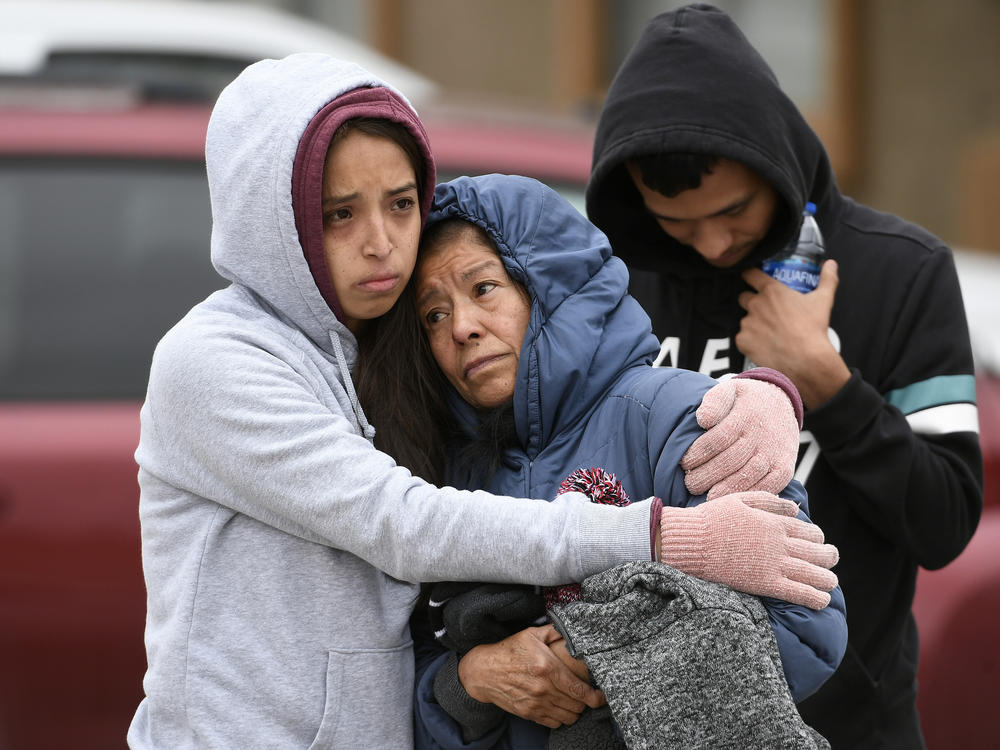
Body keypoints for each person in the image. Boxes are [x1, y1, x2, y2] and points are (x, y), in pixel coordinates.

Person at [126, 53, 820, 749]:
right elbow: (402, 524)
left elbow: (807, 619)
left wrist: (769, 393)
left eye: (401, 204)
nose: (381, 245)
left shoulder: (384, 365)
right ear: (276, 221)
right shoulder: (217, 363)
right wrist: (658, 538)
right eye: (340, 213)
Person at [585, 5, 985, 749]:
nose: (711, 243)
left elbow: (945, 521)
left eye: (733, 210)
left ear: (777, 160)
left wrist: (826, 383)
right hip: (639, 725)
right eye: (675, 222)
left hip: (845, 724)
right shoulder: (611, 287)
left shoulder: (901, 271)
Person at [393, 174, 846, 749]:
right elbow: (407, 672)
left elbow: (809, 628)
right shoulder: (436, 474)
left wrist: (599, 664)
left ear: (550, 284)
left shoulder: (680, 417)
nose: (461, 327)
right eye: (433, 316)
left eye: (483, 288)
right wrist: (472, 680)